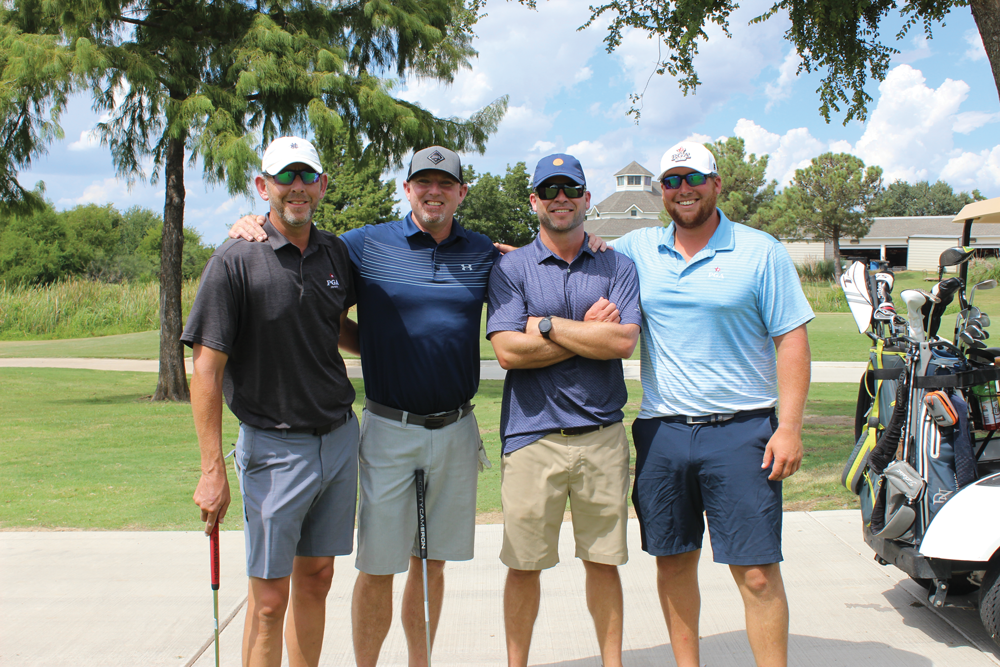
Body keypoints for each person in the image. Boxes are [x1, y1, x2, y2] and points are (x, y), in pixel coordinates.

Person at [228, 146, 497, 667]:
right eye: (423, 182)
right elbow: (303, 266)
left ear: (462, 192)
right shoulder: (363, 245)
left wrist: (591, 242)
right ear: (407, 190)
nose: (433, 191)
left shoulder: (483, 252)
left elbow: (534, 264)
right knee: (377, 565)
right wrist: (252, 222)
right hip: (389, 426)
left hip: (457, 427)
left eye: (445, 183)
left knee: (431, 564)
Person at [608, 140, 813, 667]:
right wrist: (505, 255)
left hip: (742, 432)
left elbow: (791, 338)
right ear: (660, 191)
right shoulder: (636, 251)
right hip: (663, 431)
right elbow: (570, 253)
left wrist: (788, 426)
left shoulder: (759, 250)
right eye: (671, 180)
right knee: (673, 562)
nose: (683, 190)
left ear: (716, 184)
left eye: (693, 178)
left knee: (757, 571)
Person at [185, 136, 359, 667]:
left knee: (318, 579)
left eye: (308, 176)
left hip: (338, 438)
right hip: (273, 449)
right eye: (285, 177)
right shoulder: (235, 259)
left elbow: (332, 326)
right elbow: (207, 369)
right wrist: (212, 468)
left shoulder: (335, 252)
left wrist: (399, 348)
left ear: (323, 185)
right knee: (266, 603)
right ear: (264, 187)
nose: (297, 187)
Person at [486, 154, 641, 667]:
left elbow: (622, 342)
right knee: (524, 566)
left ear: (586, 198)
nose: (560, 198)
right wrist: (585, 333)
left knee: (603, 564)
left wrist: (546, 325)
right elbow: (508, 352)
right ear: (534, 200)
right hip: (532, 438)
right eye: (548, 190)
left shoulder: (617, 265)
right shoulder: (511, 268)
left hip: (601, 435)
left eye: (570, 188)